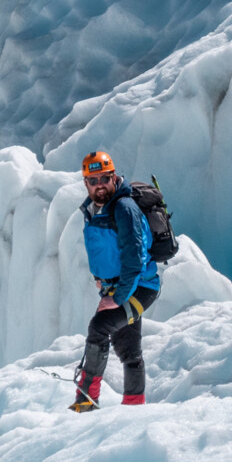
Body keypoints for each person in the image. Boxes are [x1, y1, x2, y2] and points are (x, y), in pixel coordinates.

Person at [68, 151, 161, 412]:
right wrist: (105, 281)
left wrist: (117, 297)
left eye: (104, 179)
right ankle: (134, 408)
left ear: (114, 177)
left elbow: (134, 259)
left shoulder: (124, 208)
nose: (100, 185)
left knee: (99, 328)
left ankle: (85, 400)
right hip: (121, 285)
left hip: (139, 288)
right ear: (86, 182)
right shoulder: (97, 208)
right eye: (93, 180)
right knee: (128, 348)